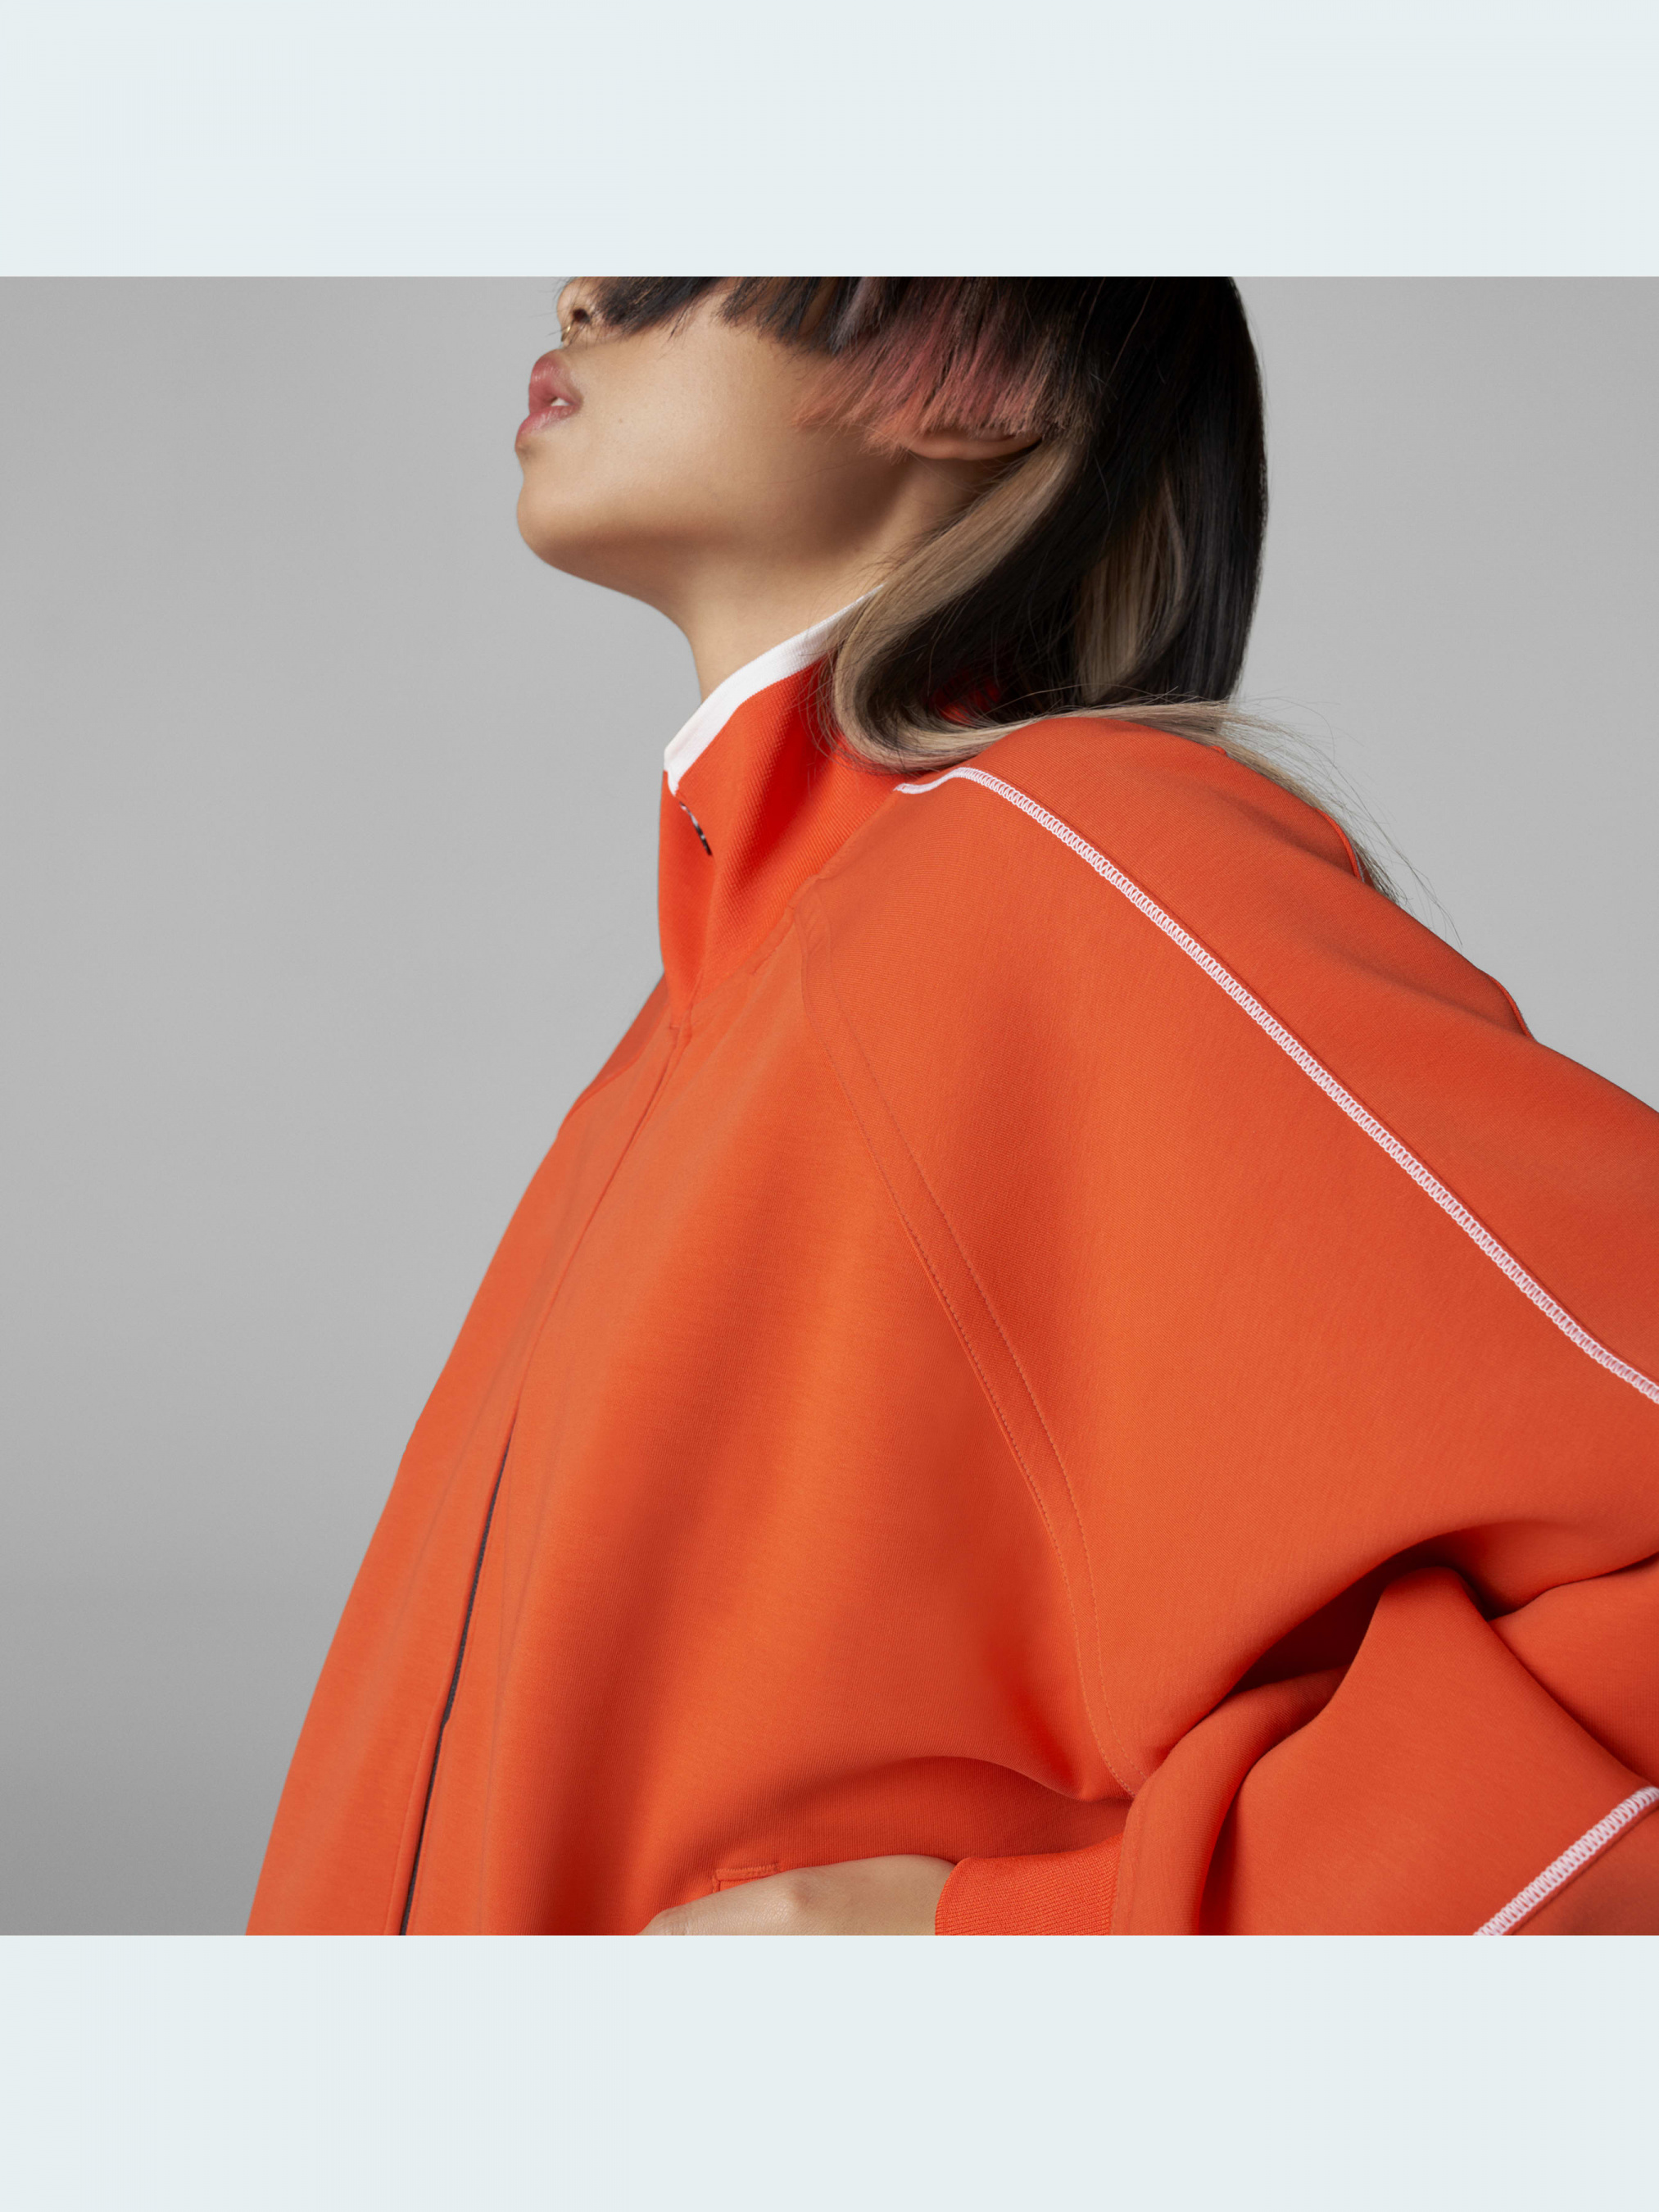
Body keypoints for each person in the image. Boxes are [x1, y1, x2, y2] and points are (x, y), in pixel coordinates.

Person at [248, 279, 1659, 1936]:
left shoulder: (1066, 868)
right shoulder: (674, 1055)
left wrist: (990, 1955)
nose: (585, 291)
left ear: (985, 385)